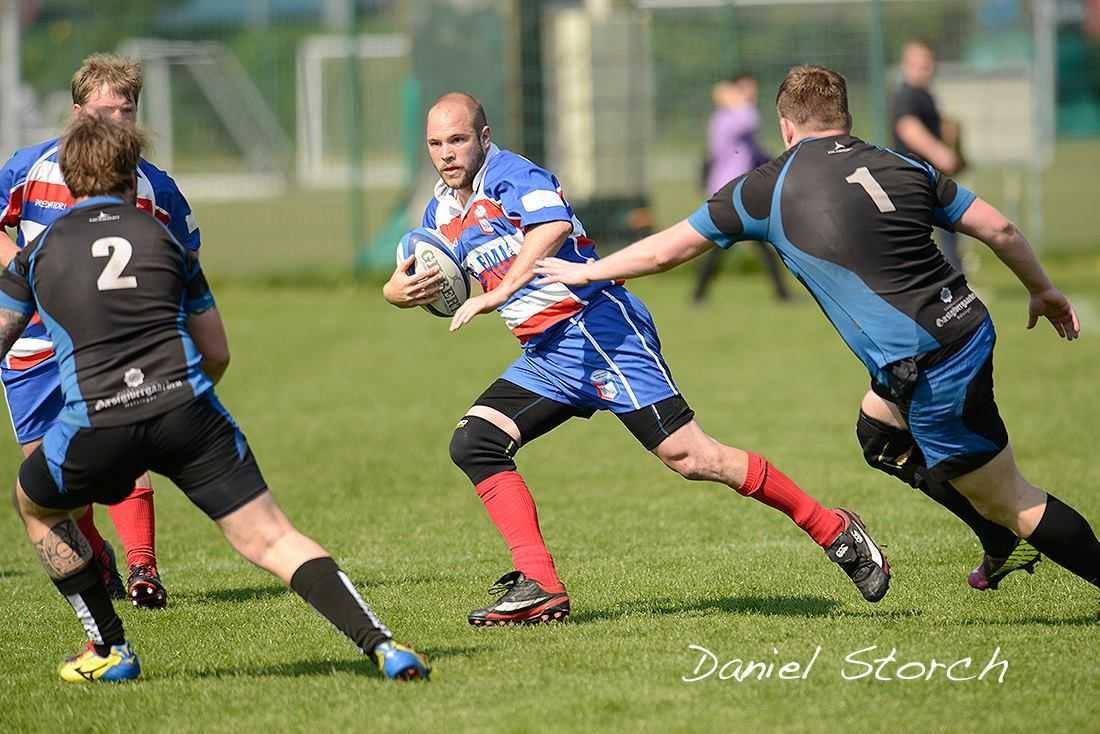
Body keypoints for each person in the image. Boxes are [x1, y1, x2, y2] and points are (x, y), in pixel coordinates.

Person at [536, 65, 1099, 600]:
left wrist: (588, 271)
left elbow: (665, 251)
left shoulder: (765, 188)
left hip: (928, 363)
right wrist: (1043, 290)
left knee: (1011, 498)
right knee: (880, 434)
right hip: (965, 328)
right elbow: (1000, 229)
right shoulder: (903, 164)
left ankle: (1010, 532)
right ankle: (995, 536)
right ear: (844, 116)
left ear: (785, 125)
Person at [382, 92, 890, 627]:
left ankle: (833, 530)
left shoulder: (511, 175)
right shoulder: (441, 210)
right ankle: (539, 585)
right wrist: (397, 292)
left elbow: (552, 228)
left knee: (693, 457)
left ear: (484, 138)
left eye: (458, 140)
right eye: (435, 144)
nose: (446, 153)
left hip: (598, 329)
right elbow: (423, 276)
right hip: (546, 354)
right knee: (475, 442)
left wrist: (500, 291)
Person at [3, 114, 429, 683]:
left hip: (96, 422)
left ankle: (109, 648)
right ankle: (383, 646)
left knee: (35, 506)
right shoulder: (165, 240)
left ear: (69, 178)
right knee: (273, 538)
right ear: (131, 175)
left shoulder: (37, 252)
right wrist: (177, 403)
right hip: (187, 411)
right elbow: (217, 352)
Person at [0, 54, 189, 607]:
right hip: (32, 342)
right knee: (51, 471)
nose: (116, 122)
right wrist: (25, 269)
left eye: (126, 111)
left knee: (123, 448)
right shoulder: (29, 168)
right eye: (105, 111)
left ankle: (143, 568)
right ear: (78, 113)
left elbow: (184, 260)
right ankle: (98, 558)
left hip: (110, 343)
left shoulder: (155, 188)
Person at [693, 73, 791, 304]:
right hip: (727, 188)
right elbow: (750, 120)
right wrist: (735, 100)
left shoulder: (738, 119)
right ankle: (698, 294)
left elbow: (756, 152)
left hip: (741, 188)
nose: (752, 94)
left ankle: (699, 294)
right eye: (746, 89)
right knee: (720, 243)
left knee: (756, 240)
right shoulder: (727, 118)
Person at [892, 40, 967, 274]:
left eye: (929, 62)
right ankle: (954, 280)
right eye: (920, 62)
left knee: (945, 229)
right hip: (914, 177)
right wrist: (941, 154)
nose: (926, 67)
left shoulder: (923, 94)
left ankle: (954, 277)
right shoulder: (908, 93)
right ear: (907, 64)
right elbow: (908, 127)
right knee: (922, 234)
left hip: (926, 176)